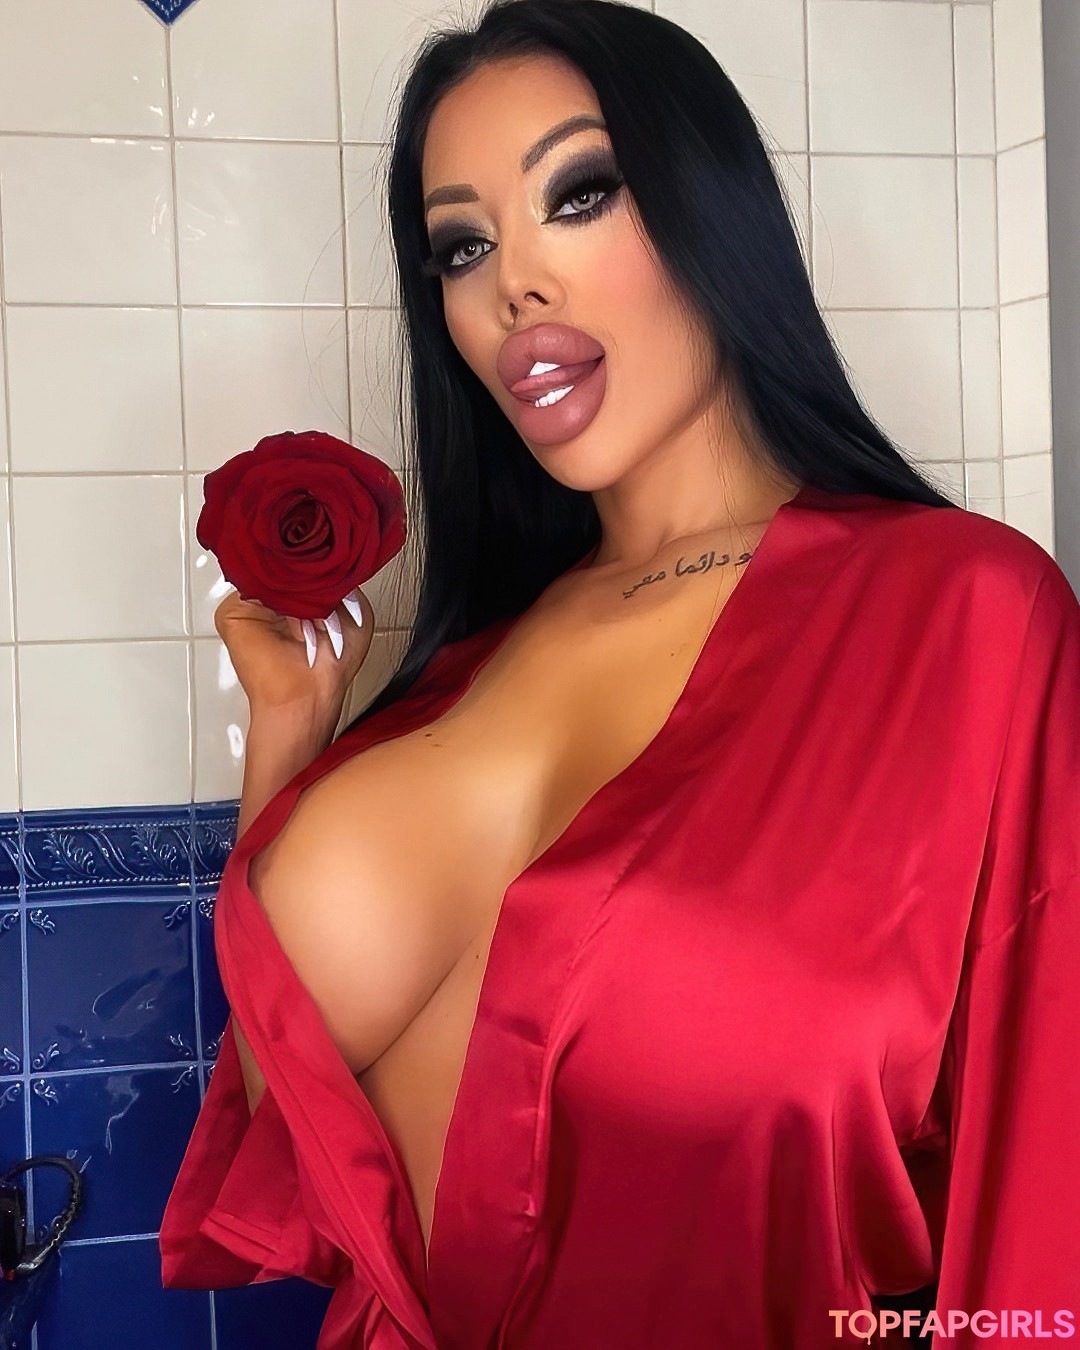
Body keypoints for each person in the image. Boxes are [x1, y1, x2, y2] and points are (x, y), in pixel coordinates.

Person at [159, 1, 1080, 1347]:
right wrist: (291, 731)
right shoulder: (457, 674)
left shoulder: (963, 617)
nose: (513, 288)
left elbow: (1042, 1219)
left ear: (713, 212)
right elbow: (281, 1120)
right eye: (464, 246)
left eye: (578, 195)